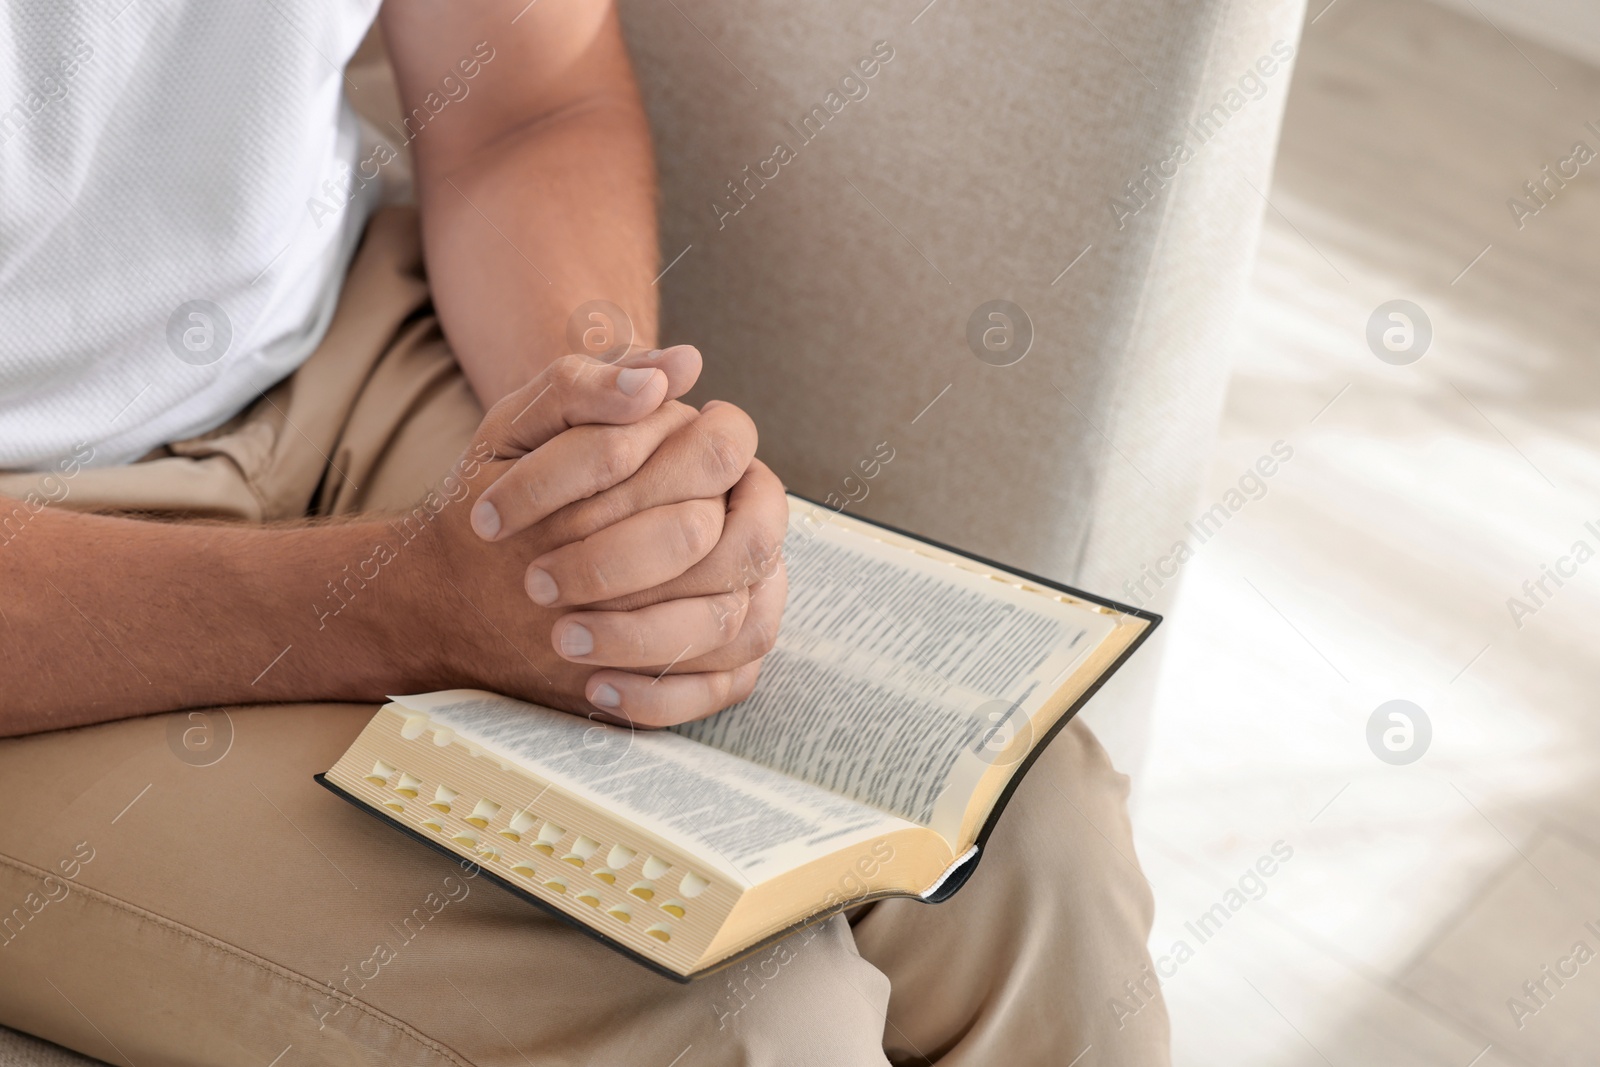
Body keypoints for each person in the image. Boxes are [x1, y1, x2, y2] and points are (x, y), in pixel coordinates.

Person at [0, 2, 1169, 1064]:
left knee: (1023, 826)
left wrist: (603, 461)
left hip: (335, 348)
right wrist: (397, 608)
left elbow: (523, 100)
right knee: (738, 1020)